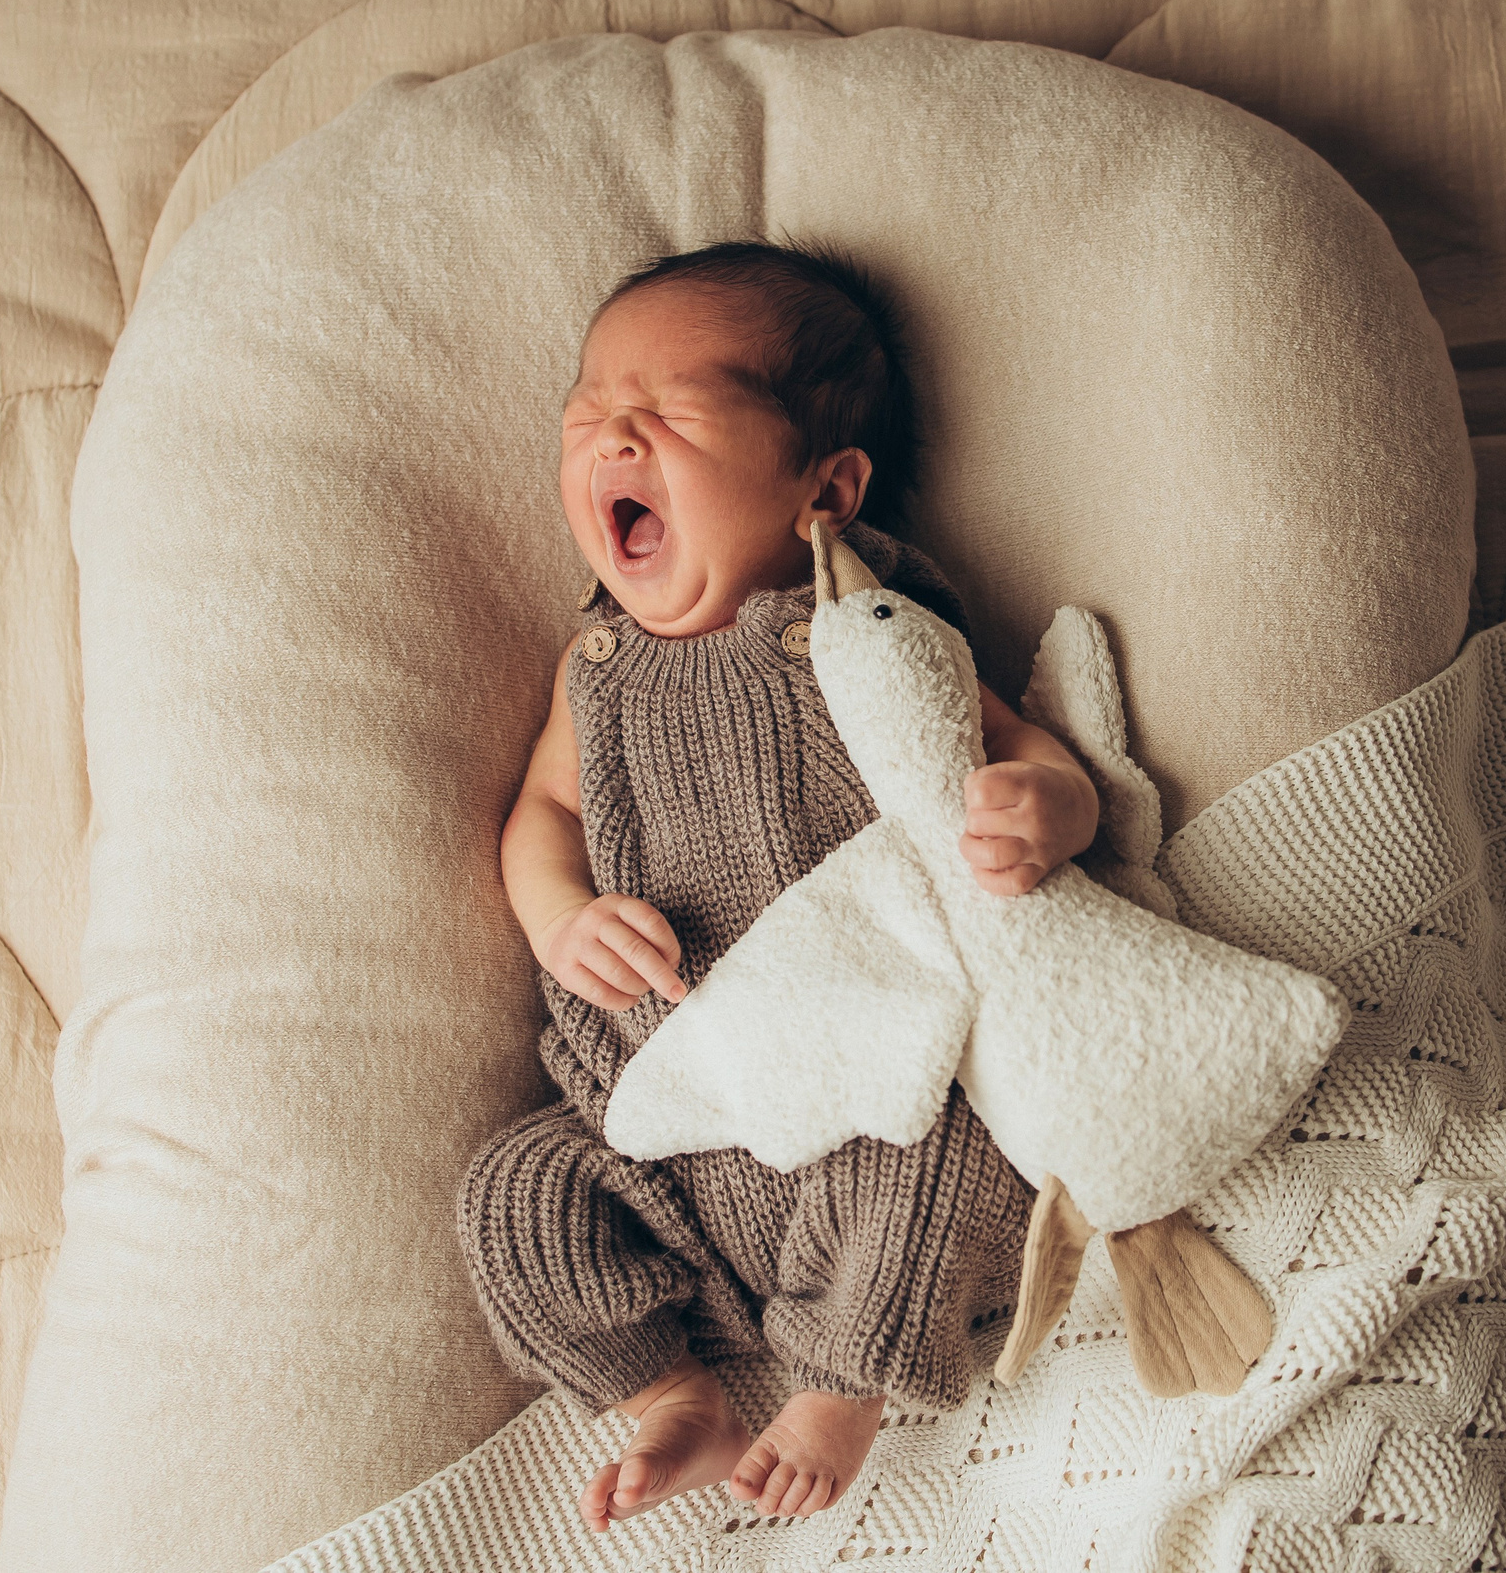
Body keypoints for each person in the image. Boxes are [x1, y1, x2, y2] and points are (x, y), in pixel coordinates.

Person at [459, 239, 1101, 1531]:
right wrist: (558, 913)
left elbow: (1023, 750)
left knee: (954, 1159)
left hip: (873, 1087)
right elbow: (543, 813)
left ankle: (842, 1382)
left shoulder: (862, 630)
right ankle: (663, 1389)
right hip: (659, 1123)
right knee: (512, 1192)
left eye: (673, 411)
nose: (613, 437)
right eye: (591, 412)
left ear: (828, 487)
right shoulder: (599, 671)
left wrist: (1048, 807)